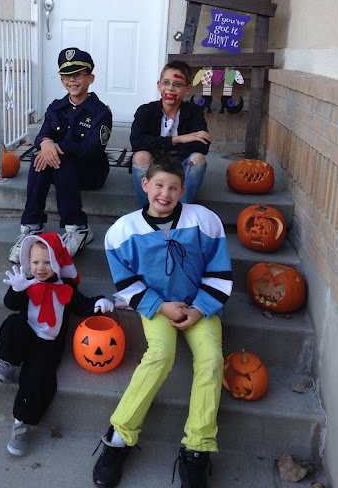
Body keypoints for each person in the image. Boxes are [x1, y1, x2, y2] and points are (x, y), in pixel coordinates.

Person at [92, 155, 232, 488]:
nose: (165, 194)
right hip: (157, 307)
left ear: (183, 190)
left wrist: (199, 309)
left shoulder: (204, 221)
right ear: (145, 185)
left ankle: (197, 447)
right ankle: (119, 437)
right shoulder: (124, 232)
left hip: (200, 306)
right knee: (159, 356)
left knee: (211, 360)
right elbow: (126, 281)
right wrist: (160, 306)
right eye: (158, 185)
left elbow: (219, 270)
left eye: (173, 187)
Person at [0, 232, 114, 457]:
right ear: (28, 262)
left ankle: (21, 424)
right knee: (14, 322)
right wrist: (16, 290)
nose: (41, 268)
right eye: (35, 262)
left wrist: (99, 303)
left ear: (57, 263)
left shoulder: (66, 287)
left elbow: (81, 305)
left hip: (47, 345)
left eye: (47, 262)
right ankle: (7, 364)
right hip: (25, 336)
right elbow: (11, 304)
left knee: (37, 380)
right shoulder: (25, 282)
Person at [9, 47, 112, 261]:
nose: (72, 80)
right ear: (62, 80)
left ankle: (79, 228)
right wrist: (46, 142)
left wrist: (56, 147)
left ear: (90, 78)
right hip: (61, 172)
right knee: (40, 157)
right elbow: (43, 134)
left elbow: (93, 149)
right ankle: (32, 226)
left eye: (78, 75)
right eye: (66, 75)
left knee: (57, 157)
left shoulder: (101, 112)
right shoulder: (56, 108)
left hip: (90, 172)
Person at [130, 59, 211, 207]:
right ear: (159, 85)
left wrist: (162, 148)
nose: (170, 88)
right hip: (154, 164)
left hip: (179, 163)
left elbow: (202, 145)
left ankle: (182, 210)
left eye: (177, 84)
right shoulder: (146, 111)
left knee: (197, 159)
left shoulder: (194, 112)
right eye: (166, 83)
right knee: (140, 156)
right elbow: (137, 142)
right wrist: (179, 139)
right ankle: (147, 209)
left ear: (188, 89)